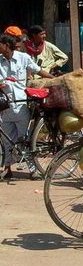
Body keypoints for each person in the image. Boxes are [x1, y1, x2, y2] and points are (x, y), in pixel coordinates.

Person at [0, 35, 54, 180]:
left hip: (21, 104)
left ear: (6, 45)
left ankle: (32, 170)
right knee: (7, 140)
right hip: (5, 107)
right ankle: (7, 168)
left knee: (25, 139)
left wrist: (54, 79)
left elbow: (37, 70)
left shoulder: (23, 58)